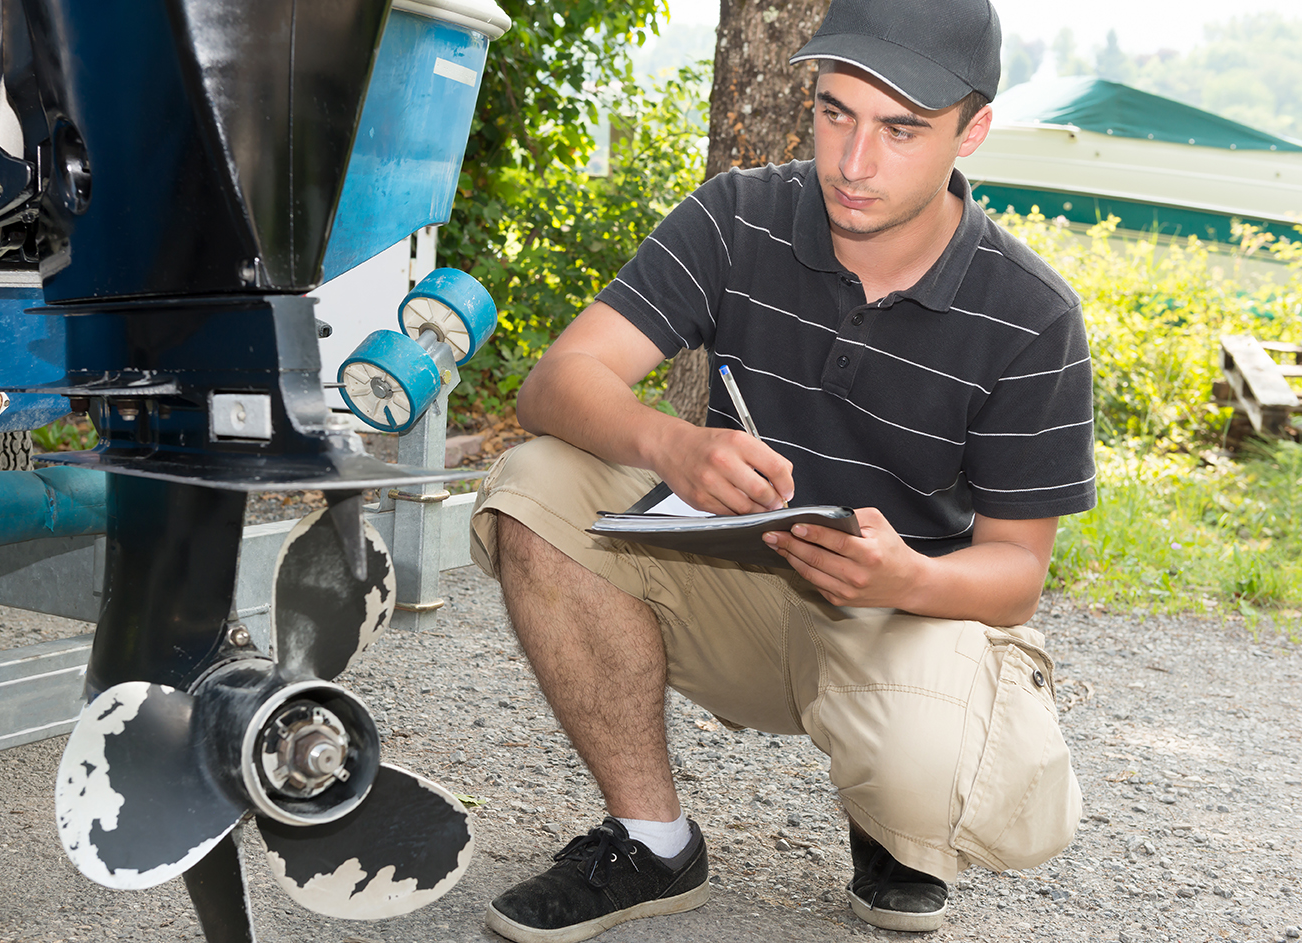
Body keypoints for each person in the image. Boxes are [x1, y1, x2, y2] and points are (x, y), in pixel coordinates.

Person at [468, 0, 1094, 938]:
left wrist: (909, 577)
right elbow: (557, 381)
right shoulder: (737, 215)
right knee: (534, 483)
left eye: (900, 129)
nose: (853, 162)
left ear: (973, 131)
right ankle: (650, 840)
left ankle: (890, 822)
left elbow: (1015, 575)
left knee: (925, 774)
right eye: (835, 111)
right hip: (730, 585)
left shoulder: (1033, 316)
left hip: (897, 617)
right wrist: (668, 443)